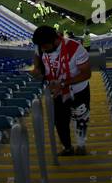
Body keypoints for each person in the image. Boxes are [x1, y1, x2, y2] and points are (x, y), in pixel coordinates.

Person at [30, 25, 91, 157]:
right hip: (56, 93)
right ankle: (67, 147)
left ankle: (81, 145)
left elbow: (86, 74)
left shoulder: (76, 48)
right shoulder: (41, 46)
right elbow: (36, 55)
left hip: (78, 91)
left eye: (44, 46)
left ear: (55, 40)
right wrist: (37, 68)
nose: (42, 49)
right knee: (60, 122)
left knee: (81, 118)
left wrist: (62, 83)